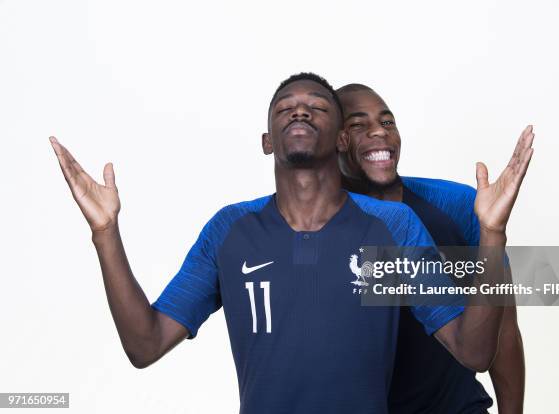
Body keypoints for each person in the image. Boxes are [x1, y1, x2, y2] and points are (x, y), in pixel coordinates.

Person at [49, 72, 531, 414]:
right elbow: (145, 344)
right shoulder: (229, 230)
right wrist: (105, 234)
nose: (300, 108)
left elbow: (473, 351)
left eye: (317, 106)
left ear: (336, 136)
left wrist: (491, 233)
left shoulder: (395, 226)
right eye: (285, 107)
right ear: (267, 139)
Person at [336, 83, 528, 414]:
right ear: (335, 141)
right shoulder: (319, 225)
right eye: (357, 125)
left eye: (387, 122)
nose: (379, 133)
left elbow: (505, 330)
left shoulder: (457, 206)